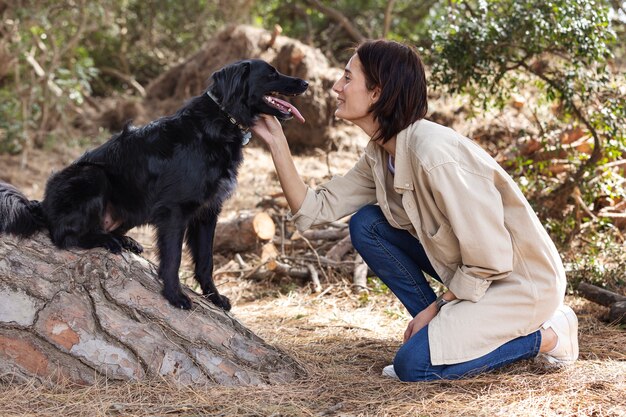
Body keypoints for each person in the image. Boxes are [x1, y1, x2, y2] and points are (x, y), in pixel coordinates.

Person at [251, 39, 579, 382]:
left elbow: (491, 259)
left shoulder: (434, 154)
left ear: (377, 92)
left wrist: (438, 308)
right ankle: (436, 333)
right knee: (368, 224)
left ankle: (550, 335)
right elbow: (313, 208)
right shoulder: (381, 153)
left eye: (347, 78)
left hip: (516, 282)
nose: (336, 87)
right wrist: (276, 141)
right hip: (471, 275)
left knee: (414, 367)